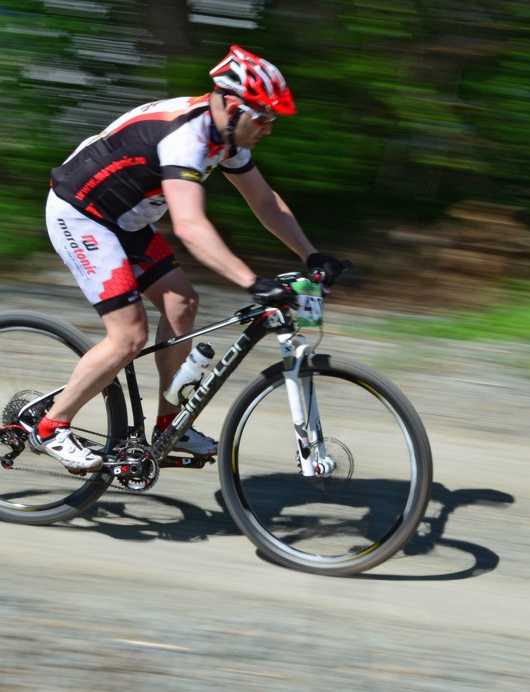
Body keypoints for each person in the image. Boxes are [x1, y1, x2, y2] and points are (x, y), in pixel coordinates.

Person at [31, 44, 345, 472]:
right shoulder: (187, 137)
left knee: (183, 303)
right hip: (80, 212)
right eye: (263, 117)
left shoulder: (226, 137)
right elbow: (190, 228)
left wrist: (312, 255)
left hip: (125, 217)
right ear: (233, 107)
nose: (268, 128)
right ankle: (51, 427)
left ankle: (167, 426)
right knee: (128, 336)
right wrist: (252, 282)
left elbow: (265, 201)